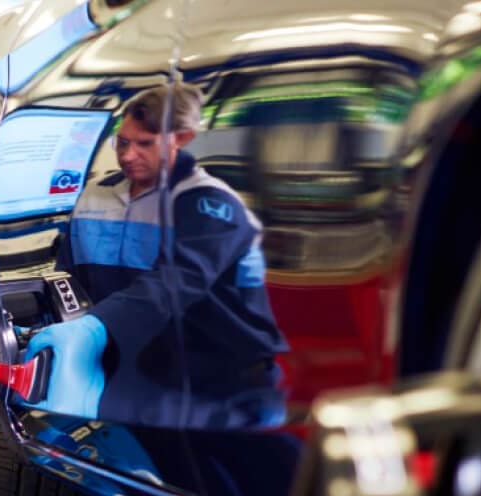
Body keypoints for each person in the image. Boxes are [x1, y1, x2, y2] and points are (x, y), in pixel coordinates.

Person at [21, 82, 287, 428]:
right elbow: (68, 278)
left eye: (144, 144)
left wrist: (95, 329)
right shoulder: (94, 196)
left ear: (182, 138)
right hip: (130, 374)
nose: (128, 155)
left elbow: (176, 284)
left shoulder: (210, 205)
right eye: (123, 142)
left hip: (220, 389)